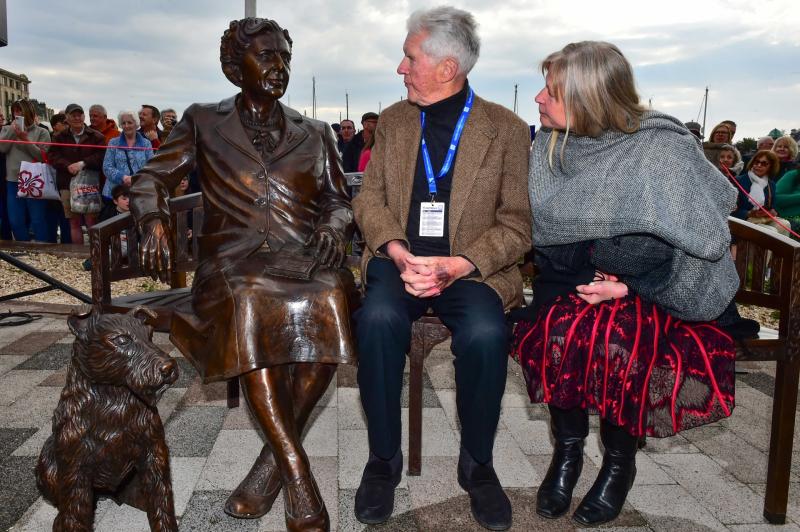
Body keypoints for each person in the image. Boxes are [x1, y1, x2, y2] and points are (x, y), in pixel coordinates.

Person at [128, 17, 355, 531]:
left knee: (334, 298)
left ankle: (268, 465)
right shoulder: (203, 121)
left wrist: (335, 228)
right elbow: (150, 177)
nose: (280, 69)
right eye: (268, 57)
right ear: (236, 67)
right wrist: (151, 219)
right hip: (231, 264)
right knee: (253, 301)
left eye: (286, 59)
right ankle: (296, 472)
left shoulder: (315, 132)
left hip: (302, 259)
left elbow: (339, 200)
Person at [518, 41, 739, 526]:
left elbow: (700, 241)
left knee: (617, 342)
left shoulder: (658, 148)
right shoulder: (550, 146)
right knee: (559, 334)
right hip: (572, 279)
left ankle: (619, 465)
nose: (538, 98)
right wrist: (589, 275)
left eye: (551, 90)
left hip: (656, 286)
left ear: (587, 97)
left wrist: (626, 288)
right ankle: (568, 454)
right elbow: (548, 237)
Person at [352, 6, 531, 530]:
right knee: (379, 321)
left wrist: (459, 263)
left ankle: (478, 464)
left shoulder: (506, 129)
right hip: (399, 261)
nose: (400, 68)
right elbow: (370, 199)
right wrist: (396, 248)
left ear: (446, 67)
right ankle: (382, 460)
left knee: (483, 333)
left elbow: (517, 224)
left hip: (470, 268)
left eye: (409, 58)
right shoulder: (394, 120)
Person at [49, 103, 105, 245]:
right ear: (66, 118)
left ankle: (96, 253)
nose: (77, 118)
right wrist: (67, 166)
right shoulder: (59, 137)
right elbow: (53, 156)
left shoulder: (97, 136)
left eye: (79, 114)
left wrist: (83, 163)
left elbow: (101, 156)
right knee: (74, 221)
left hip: (90, 183)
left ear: (83, 116)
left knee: (91, 221)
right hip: (67, 183)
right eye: (73, 115)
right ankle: (78, 255)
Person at [0, 98, 54, 242]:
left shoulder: (42, 132)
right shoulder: (6, 129)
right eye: (15, 111)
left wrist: (25, 140)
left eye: (20, 110)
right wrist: (13, 131)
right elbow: (2, 148)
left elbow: (43, 156)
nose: (17, 114)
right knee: (15, 221)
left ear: (28, 111)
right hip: (13, 181)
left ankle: (42, 251)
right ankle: (24, 250)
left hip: (34, 180)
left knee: (37, 220)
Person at [733, 149, 790, 235]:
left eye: (764, 163)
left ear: (771, 167)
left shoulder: (771, 185)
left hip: (763, 219)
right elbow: (731, 210)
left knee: (785, 224)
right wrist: (749, 213)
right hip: (743, 220)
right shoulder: (738, 181)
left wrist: (772, 211)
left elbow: (773, 207)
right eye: (756, 162)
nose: (759, 165)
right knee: (771, 231)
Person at [102, 110, 153, 202]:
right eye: (123, 123)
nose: (126, 126)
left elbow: (151, 168)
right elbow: (107, 167)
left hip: (139, 193)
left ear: (136, 124)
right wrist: (123, 178)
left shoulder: (146, 143)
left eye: (129, 122)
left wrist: (136, 179)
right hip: (115, 194)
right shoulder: (113, 142)